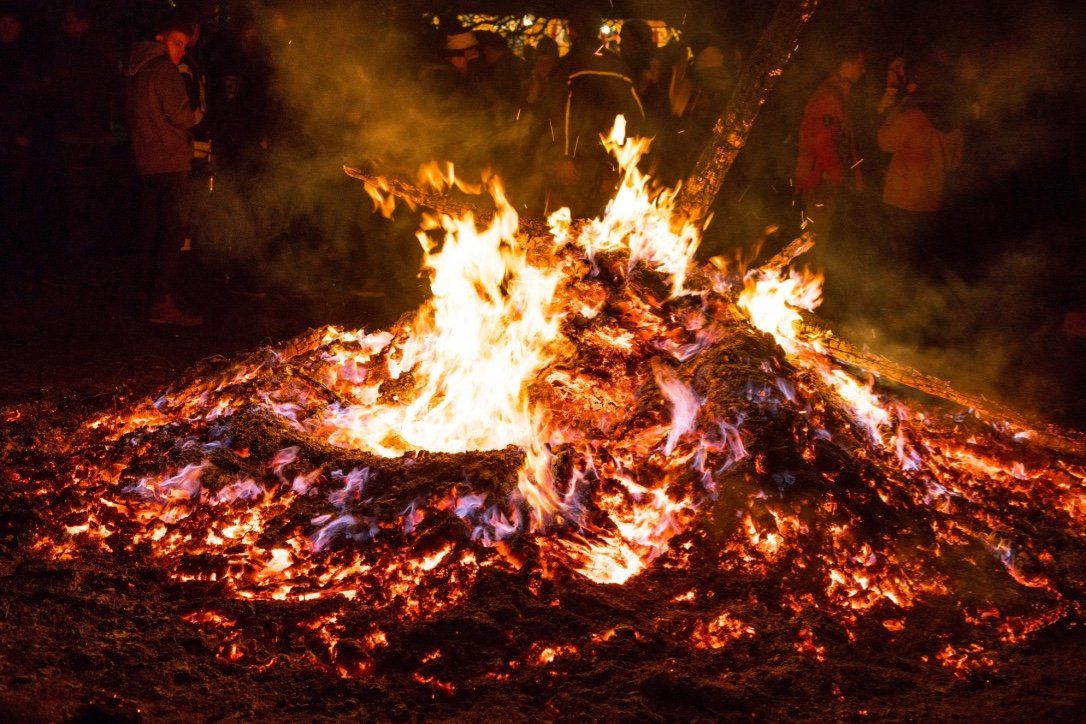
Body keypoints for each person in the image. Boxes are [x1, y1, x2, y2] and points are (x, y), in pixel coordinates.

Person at [125, 20, 203, 326]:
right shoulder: (164, 70)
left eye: (184, 45)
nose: (182, 51)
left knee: (150, 232)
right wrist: (196, 114)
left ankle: (146, 299)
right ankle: (161, 304)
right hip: (170, 162)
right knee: (171, 235)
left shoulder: (135, 68)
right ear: (160, 38)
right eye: (177, 43)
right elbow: (182, 117)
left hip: (144, 160)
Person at [544, 8, 645, 216]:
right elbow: (637, 114)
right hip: (610, 157)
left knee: (565, 221)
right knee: (598, 219)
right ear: (598, 31)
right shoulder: (618, 65)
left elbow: (561, 111)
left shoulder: (569, 65)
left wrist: (564, 156)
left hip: (577, 157)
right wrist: (628, 156)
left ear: (572, 31)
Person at [877, 59, 963, 268]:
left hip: (901, 201)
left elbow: (883, 142)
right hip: (931, 202)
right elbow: (954, 163)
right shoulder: (956, 123)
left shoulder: (913, 118)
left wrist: (897, 107)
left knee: (897, 259)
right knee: (919, 260)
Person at [793, 43, 866, 244]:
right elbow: (823, 145)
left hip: (824, 180)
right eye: (860, 64)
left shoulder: (839, 95)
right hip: (820, 182)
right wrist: (841, 179)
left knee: (815, 239)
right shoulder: (830, 98)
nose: (863, 70)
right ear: (845, 64)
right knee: (813, 241)